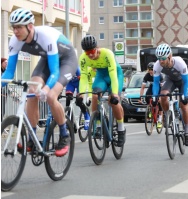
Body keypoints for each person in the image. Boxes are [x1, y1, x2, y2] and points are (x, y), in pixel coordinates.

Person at [2, 8, 78, 156]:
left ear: (30, 26)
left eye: (19, 27)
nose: (15, 31)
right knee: (32, 91)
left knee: (50, 96)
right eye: (13, 27)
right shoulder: (15, 41)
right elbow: (9, 72)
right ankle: (32, 138)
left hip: (66, 61)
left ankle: (64, 134)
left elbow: (55, 72)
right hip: (47, 59)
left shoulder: (46, 36)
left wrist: (47, 88)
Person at [79, 34, 126, 147]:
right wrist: (81, 94)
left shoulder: (107, 54)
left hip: (115, 75)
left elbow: (113, 75)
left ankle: (121, 129)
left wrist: (114, 93)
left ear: (97, 48)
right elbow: (84, 77)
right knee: (95, 96)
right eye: (87, 52)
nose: (90, 54)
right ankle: (98, 124)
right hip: (101, 76)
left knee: (113, 101)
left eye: (92, 51)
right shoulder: (83, 58)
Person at [152, 43, 188, 146]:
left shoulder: (180, 63)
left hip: (182, 82)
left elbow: (187, 81)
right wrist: (155, 96)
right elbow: (156, 83)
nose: (161, 61)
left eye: (163, 58)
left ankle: (187, 131)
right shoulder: (157, 65)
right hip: (171, 81)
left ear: (170, 56)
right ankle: (167, 115)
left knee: (184, 105)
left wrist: (185, 95)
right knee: (163, 96)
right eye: (159, 58)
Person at [139, 62, 164, 128]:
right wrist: (140, 97)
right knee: (147, 96)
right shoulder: (147, 75)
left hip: (160, 87)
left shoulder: (159, 75)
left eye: (152, 69)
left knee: (159, 102)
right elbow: (142, 88)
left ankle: (160, 120)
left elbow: (163, 88)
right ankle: (150, 109)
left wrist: (160, 97)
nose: (151, 71)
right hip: (152, 86)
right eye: (149, 69)